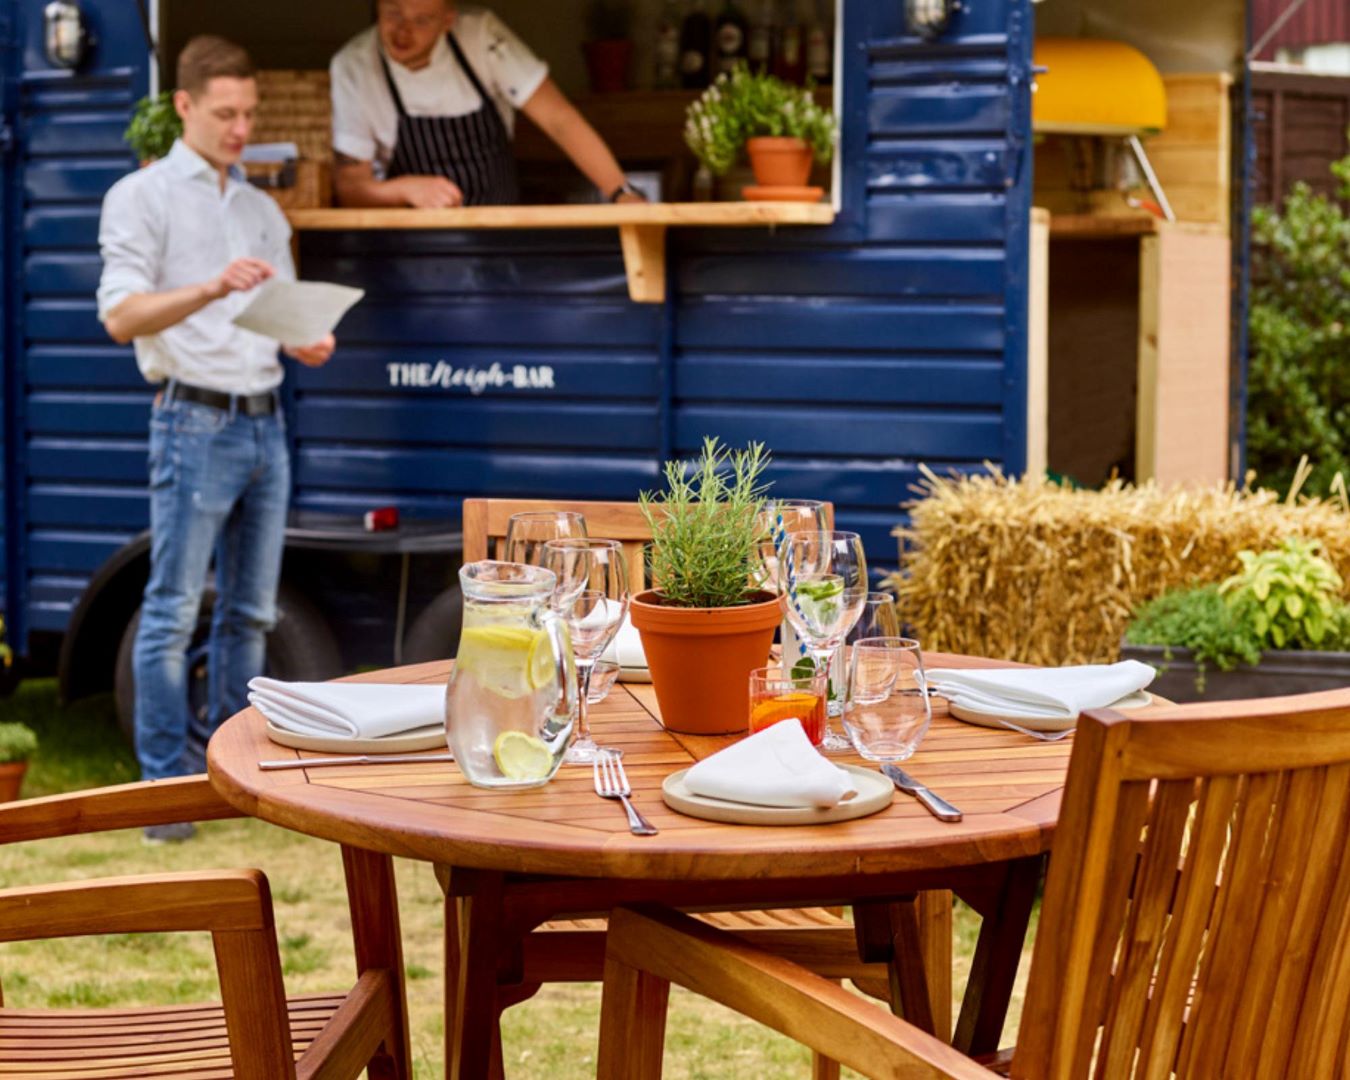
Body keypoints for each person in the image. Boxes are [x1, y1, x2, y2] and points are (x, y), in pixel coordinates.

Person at [97, 35, 336, 842]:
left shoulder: (261, 209)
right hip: (191, 421)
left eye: (250, 113)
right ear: (185, 107)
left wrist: (305, 338)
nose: (241, 127)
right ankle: (168, 798)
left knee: (252, 615)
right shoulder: (142, 196)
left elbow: (275, 313)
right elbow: (120, 315)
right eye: (226, 113)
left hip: (267, 421)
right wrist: (207, 286)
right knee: (170, 611)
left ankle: (238, 784)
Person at [330, 0, 645, 207]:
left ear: (447, 20)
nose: (403, 31)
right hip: (412, 251)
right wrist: (404, 190)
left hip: (500, 237)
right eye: (393, 14)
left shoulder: (482, 37)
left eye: (422, 20)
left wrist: (621, 193)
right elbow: (351, 187)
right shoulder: (353, 67)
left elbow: (558, 120)